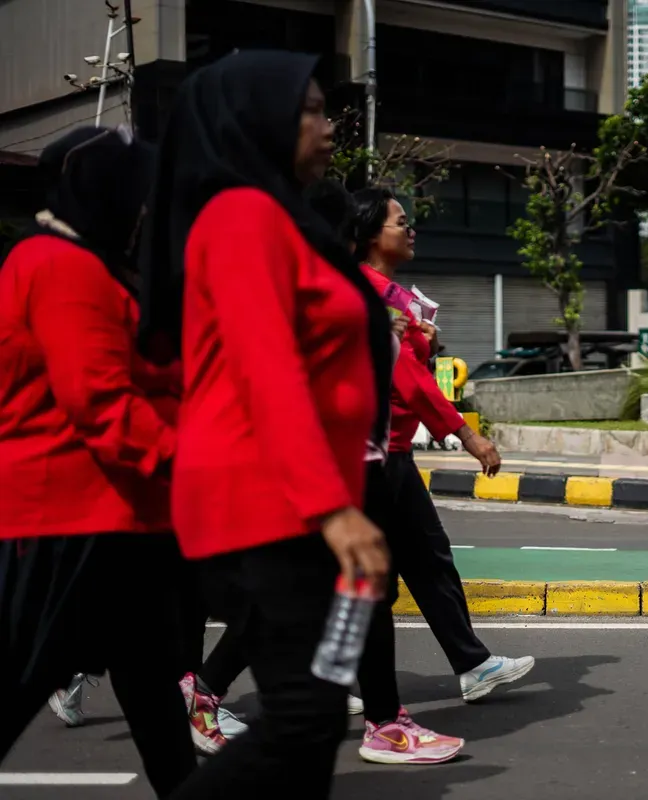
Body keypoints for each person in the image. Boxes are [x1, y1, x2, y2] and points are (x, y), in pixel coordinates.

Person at [136, 50, 393, 799]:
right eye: (309, 111)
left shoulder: (280, 218)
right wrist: (334, 509)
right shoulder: (241, 215)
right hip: (260, 500)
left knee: (311, 734)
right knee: (305, 719)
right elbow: (264, 366)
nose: (328, 125)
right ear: (257, 124)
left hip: (293, 501)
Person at [0, 125, 196, 796]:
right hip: (67, 524)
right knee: (20, 682)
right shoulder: (59, 266)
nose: (147, 210)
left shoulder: (103, 268)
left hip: (119, 521)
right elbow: (100, 401)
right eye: (138, 194)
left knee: (153, 696)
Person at [349, 188, 535, 715]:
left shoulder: (389, 292)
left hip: (393, 451)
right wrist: (465, 432)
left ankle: (471, 664)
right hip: (375, 453)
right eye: (400, 222)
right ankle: (218, 684)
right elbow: (405, 376)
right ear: (368, 234)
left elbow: (410, 359)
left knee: (426, 563)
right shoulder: (369, 290)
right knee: (366, 580)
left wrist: (424, 339)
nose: (411, 230)